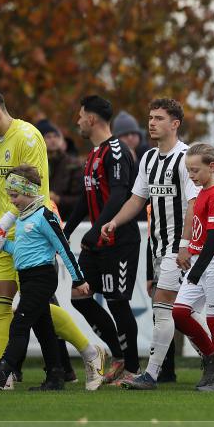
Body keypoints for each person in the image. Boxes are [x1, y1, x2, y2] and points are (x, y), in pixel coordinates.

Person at [0, 85, 103, 391]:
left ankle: (87, 349)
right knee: (0, 301)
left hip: (29, 233)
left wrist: (9, 227)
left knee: (33, 309)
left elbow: (35, 193)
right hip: (4, 231)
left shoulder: (28, 137)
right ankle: (4, 376)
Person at [99, 98, 198, 390]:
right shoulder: (149, 159)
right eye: (150, 117)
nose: (151, 123)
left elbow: (193, 204)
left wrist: (184, 244)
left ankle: (151, 374)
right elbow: (137, 199)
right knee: (182, 311)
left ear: (175, 124)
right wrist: (115, 221)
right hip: (157, 246)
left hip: (178, 248)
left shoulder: (186, 157)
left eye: (158, 118)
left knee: (163, 306)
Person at [0, 165, 91, 390]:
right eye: (9, 196)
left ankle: (3, 370)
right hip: (27, 278)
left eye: (14, 195)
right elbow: (22, 251)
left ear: (28, 190)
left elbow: (64, 248)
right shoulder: (24, 218)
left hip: (42, 277)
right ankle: (56, 376)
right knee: (44, 328)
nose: (12, 201)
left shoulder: (44, 216)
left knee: (20, 323)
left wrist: (78, 279)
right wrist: (3, 244)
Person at [64, 95, 142, 385]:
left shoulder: (118, 151)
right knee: (80, 296)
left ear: (92, 118)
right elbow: (87, 199)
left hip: (119, 241)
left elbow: (119, 195)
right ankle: (119, 354)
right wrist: (68, 228)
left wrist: (96, 230)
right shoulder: (93, 154)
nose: (78, 121)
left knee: (117, 303)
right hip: (96, 242)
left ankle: (132, 368)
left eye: (81, 115)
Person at [172, 144, 214, 392]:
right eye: (189, 170)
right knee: (179, 312)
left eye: (195, 170)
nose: (191, 175)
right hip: (202, 260)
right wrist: (189, 249)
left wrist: (197, 268)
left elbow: (213, 237)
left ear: (212, 167)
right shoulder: (203, 192)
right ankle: (211, 356)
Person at [35, 120, 84, 217]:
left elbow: (81, 199)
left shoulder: (73, 164)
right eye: (48, 137)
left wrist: (59, 199)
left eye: (55, 136)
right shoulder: (34, 163)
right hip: (41, 218)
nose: (53, 140)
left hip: (67, 218)